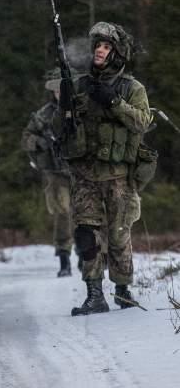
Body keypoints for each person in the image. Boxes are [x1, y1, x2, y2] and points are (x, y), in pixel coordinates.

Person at [56, 22, 152, 315]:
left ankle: (123, 291)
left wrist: (113, 101)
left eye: (107, 46)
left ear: (117, 53)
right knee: (87, 234)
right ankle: (95, 295)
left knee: (119, 234)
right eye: (97, 45)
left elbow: (142, 122)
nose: (100, 50)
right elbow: (64, 128)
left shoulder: (131, 87)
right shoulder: (79, 85)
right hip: (85, 175)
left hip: (119, 176)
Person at [22, 69, 73, 277]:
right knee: (62, 214)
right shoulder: (44, 115)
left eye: (64, 90)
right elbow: (26, 138)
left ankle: (92, 256)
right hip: (56, 172)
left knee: (90, 215)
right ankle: (64, 259)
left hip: (82, 171)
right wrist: (40, 142)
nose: (60, 94)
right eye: (57, 90)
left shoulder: (81, 110)